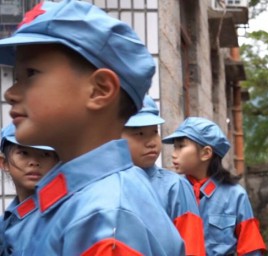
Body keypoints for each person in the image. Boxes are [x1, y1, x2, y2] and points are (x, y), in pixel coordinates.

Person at [0, 1, 184, 254]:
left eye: (30, 74)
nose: (10, 93)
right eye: (16, 78)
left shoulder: (106, 216)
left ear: (100, 90)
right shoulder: (70, 197)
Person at [163, 117, 267, 255]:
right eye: (174, 147)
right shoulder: (171, 192)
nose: (173, 154)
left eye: (181, 146)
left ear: (206, 153)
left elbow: (250, 248)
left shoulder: (235, 196)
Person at [122, 95, 205, 255]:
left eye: (154, 132)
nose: (151, 142)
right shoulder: (107, 185)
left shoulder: (175, 187)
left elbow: (192, 248)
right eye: (139, 134)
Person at [0, 124, 58, 255]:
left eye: (45, 154)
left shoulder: (60, 214)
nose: (34, 162)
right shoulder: (7, 219)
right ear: (3, 163)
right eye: (24, 153)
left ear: (57, 162)